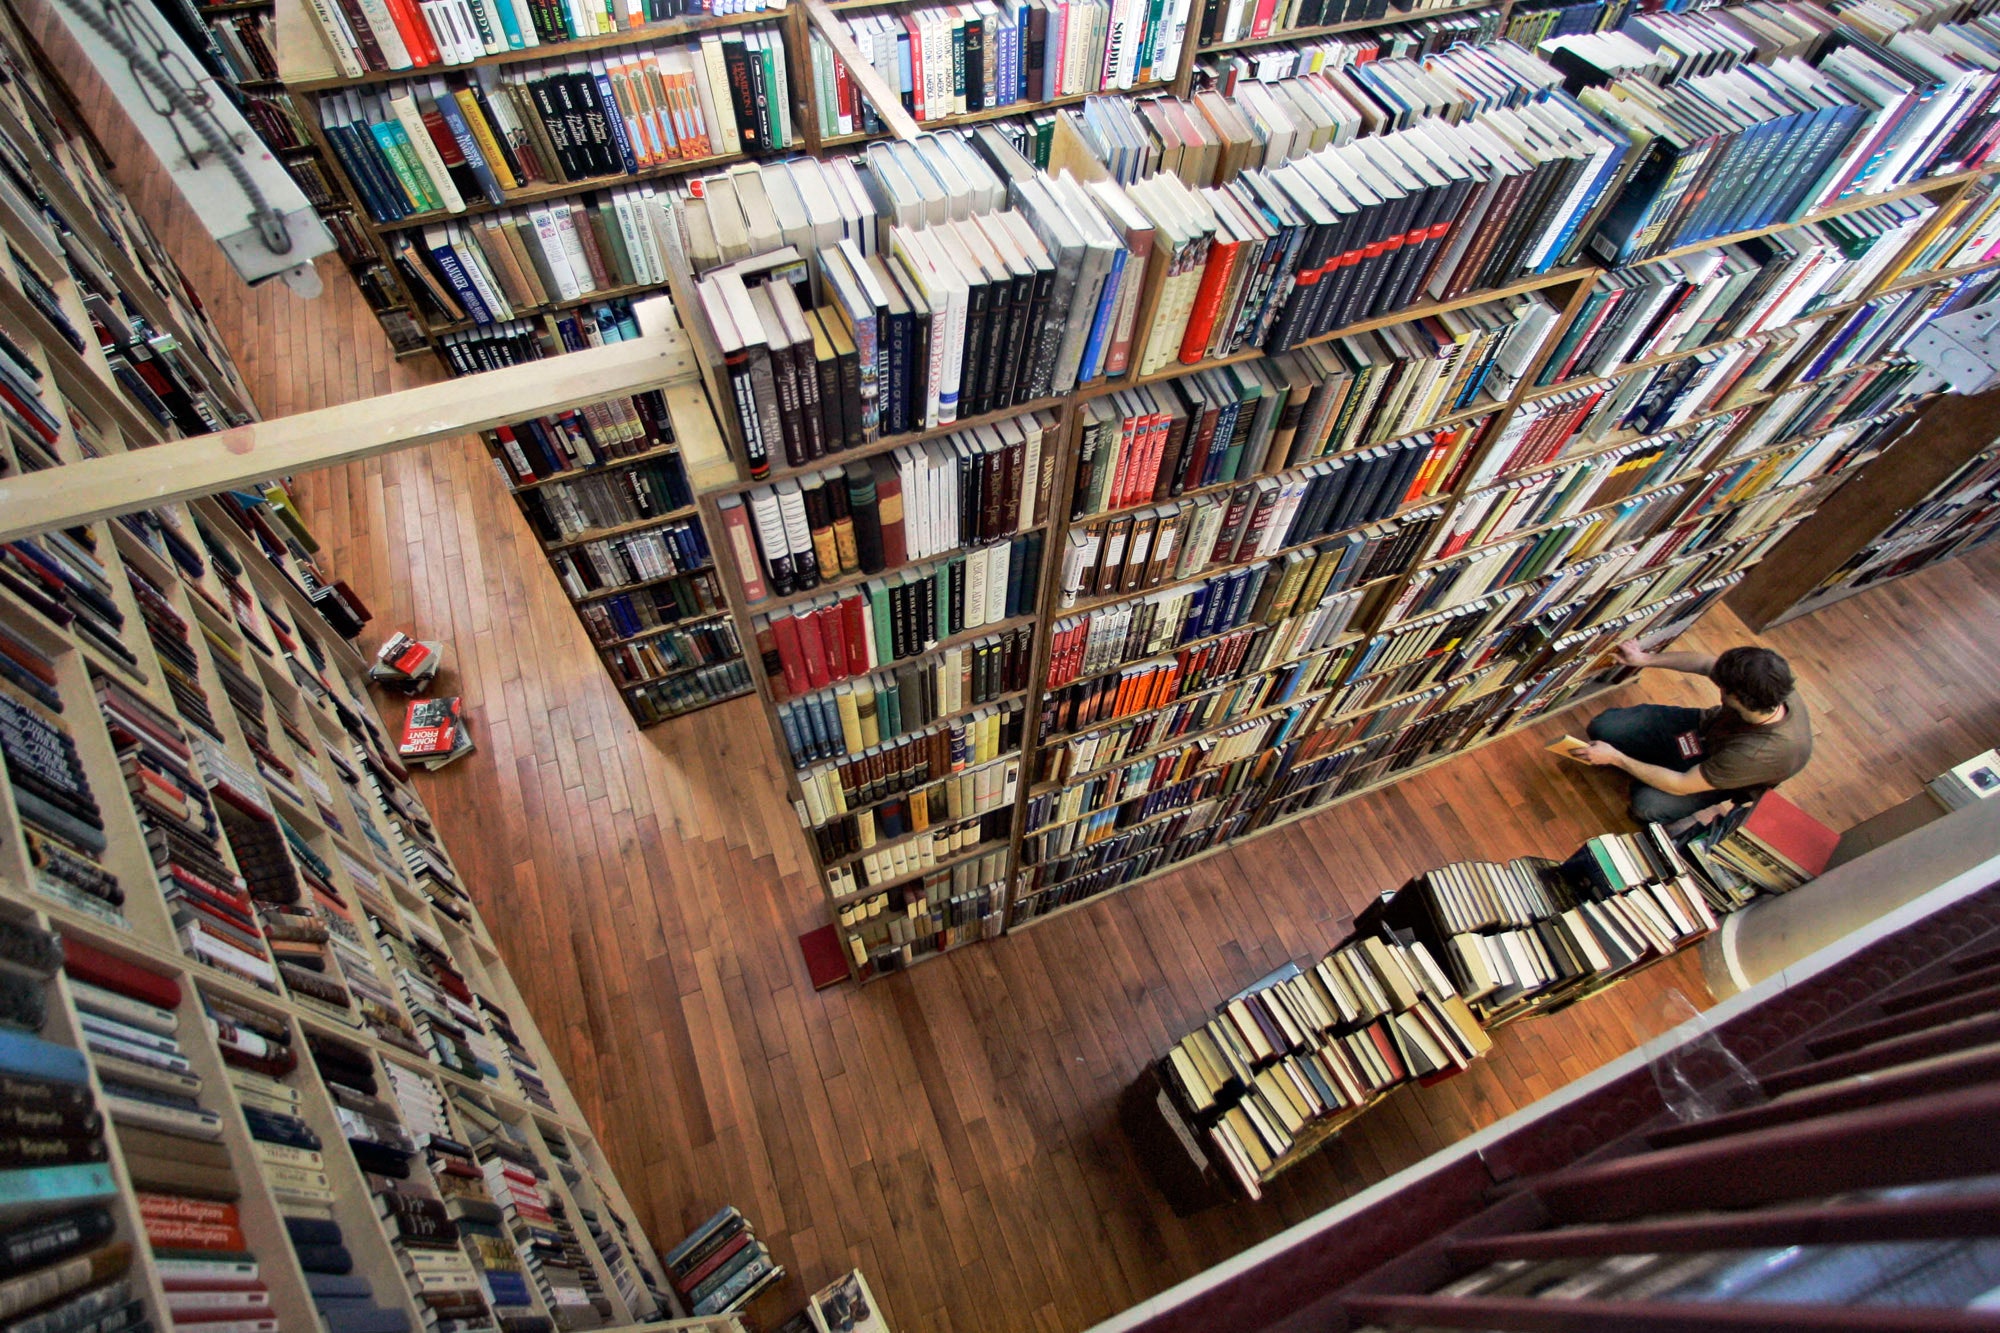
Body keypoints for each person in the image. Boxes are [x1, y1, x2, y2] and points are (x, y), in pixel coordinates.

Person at [1577, 642, 1813, 824]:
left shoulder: (1756, 754)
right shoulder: (1767, 685)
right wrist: (1644, 659)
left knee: (1647, 806)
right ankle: (1654, 764)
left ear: (1736, 698)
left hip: (1719, 770)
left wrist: (1616, 758)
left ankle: (1649, 766)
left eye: (1722, 687)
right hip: (1704, 731)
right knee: (1604, 727)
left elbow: (1681, 784)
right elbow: (1704, 664)